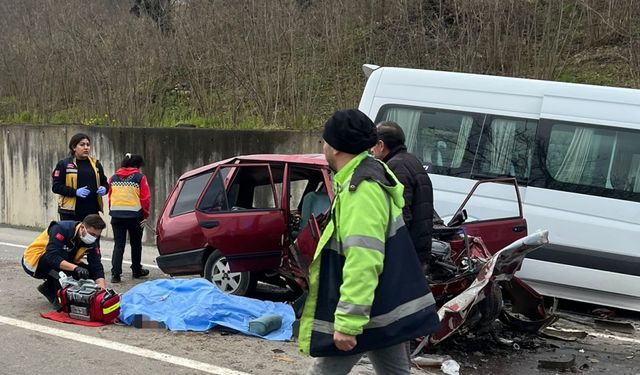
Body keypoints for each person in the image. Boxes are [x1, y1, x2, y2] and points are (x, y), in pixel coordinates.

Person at [299, 109, 440, 375]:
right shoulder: (368, 175)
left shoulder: (361, 190)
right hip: (380, 304)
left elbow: (363, 258)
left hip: (366, 306)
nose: (324, 147)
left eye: (325, 141)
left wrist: (348, 322)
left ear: (338, 148)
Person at [371, 121, 434, 265]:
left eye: (373, 145)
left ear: (381, 145)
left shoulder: (396, 168)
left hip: (405, 253)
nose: (371, 150)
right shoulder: (411, 161)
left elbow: (401, 216)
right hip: (418, 248)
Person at [21, 214, 107, 307]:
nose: (94, 238)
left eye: (97, 236)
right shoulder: (61, 229)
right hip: (35, 262)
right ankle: (59, 298)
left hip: (61, 260)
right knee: (62, 264)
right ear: (82, 228)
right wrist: (75, 268)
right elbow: (52, 257)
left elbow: (96, 264)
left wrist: (101, 288)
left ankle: (48, 287)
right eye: (92, 234)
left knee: (88, 272)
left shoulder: (92, 242)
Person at [108, 153, 151, 283]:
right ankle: (136, 270)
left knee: (119, 245)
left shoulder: (113, 178)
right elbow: (145, 198)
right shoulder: (140, 177)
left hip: (116, 216)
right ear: (137, 166)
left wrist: (113, 211)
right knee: (136, 244)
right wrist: (145, 215)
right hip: (135, 216)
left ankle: (115, 274)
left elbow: (110, 197)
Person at [52, 133, 109, 221]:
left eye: (88, 145)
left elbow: (104, 182)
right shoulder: (64, 164)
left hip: (92, 212)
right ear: (74, 147)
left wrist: (105, 189)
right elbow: (56, 187)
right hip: (70, 212)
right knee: (73, 235)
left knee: (91, 235)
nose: (86, 147)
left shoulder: (96, 164)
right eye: (82, 145)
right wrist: (75, 192)